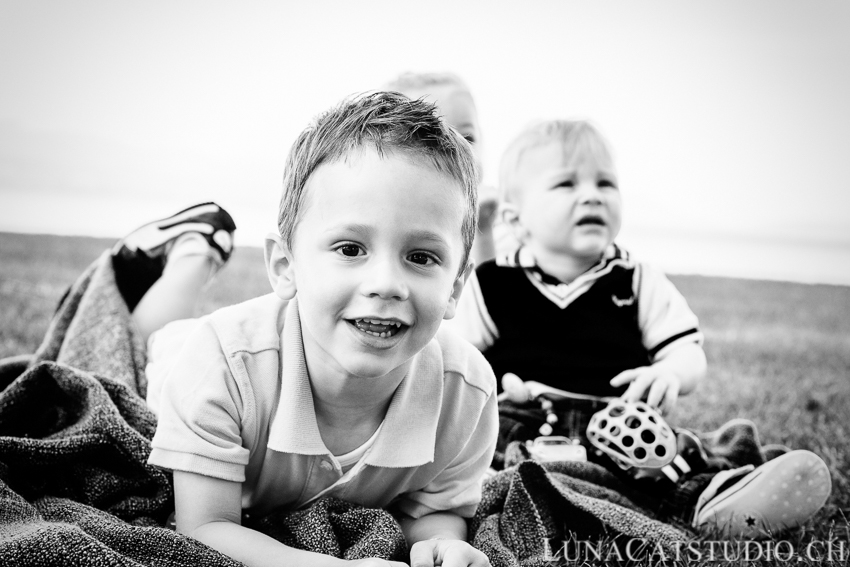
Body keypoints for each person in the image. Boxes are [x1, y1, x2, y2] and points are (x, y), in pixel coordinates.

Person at [132, 92, 497, 567]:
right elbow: (204, 527)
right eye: (350, 249)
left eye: (422, 257)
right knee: (152, 344)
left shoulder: (465, 396)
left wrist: (438, 542)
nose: (386, 284)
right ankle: (192, 251)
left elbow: (432, 508)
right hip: (186, 365)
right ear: (286, 265)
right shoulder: (219, 365)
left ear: (454, 288)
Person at [444, 119, 831, 539]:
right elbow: (457, 357)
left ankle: (714, 499)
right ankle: (525, 500)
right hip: (527, 419)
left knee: (675, 461)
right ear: (516, 219)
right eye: (566, 185)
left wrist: (670, 373)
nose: (591, 194)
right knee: (494, 462)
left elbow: (687, 353)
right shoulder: (492, 284)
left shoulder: (637, 280)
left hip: (624, 426)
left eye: (605, 183)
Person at [385, 72, 498, 267]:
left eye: (468, 137)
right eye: (432, 137)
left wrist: (484, 230)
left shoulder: (507, 221)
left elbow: (493, 295)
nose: (458, 149)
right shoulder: (391, 218)